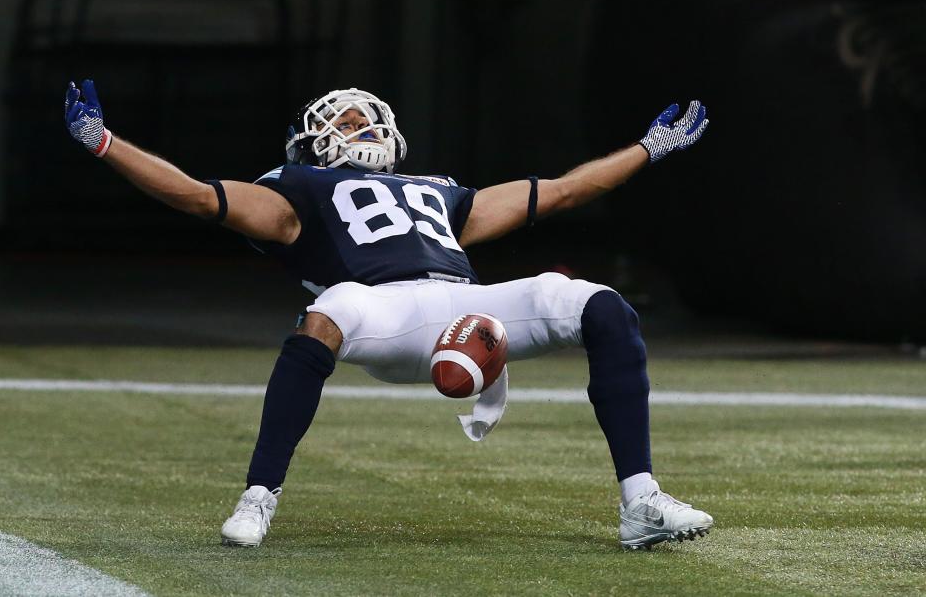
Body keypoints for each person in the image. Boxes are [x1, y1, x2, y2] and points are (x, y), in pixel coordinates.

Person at [64, 80, 712, 551]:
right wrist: (106, 145)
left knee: (596, 303)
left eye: (366, 117)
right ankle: (258, 498)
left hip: (467, 310)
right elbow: (200, 198)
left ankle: (640, 500)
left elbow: (566, 190)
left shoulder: (438, 192)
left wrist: (648, 148)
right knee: (328, 309)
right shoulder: (297, 186)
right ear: (310, 142)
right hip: (378, 310)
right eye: (345, 120)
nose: (360, 125)